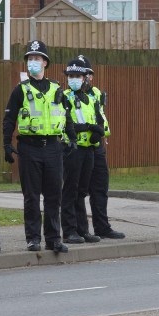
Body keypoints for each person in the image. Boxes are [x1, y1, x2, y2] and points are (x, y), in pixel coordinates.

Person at [2, 40, 68, 253]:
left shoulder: (57, 89)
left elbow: (66, 117)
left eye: (37, 59)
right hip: (29, 147)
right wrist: (6, 143)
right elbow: (9, 118)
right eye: (30, 59)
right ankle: (33, 239)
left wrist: (72, 138)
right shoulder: (20, 90)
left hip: (52, 147)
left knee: (53, 196)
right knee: (31, 196)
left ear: (45, 63)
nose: (33, 62)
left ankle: (54, 238)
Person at [78, 55, 125, 240]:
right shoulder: (69, 95)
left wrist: (101, 132)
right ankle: (80, 229)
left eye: (89, 74)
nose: (86, 77)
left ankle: (102, 227)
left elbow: (101, 117)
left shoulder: (96, 94)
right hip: (80, 148)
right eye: (83, 74)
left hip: (97, 147)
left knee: (100, 188)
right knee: (79, 190)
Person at [60, 58, 105, 244]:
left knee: (82, 191)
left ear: (85, 77)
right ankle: (69, 231)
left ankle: (82, 230)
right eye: (71, 76)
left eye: (77, 76)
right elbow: (66, 123)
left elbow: (99, 119)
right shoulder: (64, 96)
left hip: (89, 149)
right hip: (72, 148)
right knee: (70, 191)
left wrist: (97, 132)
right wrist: (89, 127)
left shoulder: (92, 97)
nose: (74, 79)